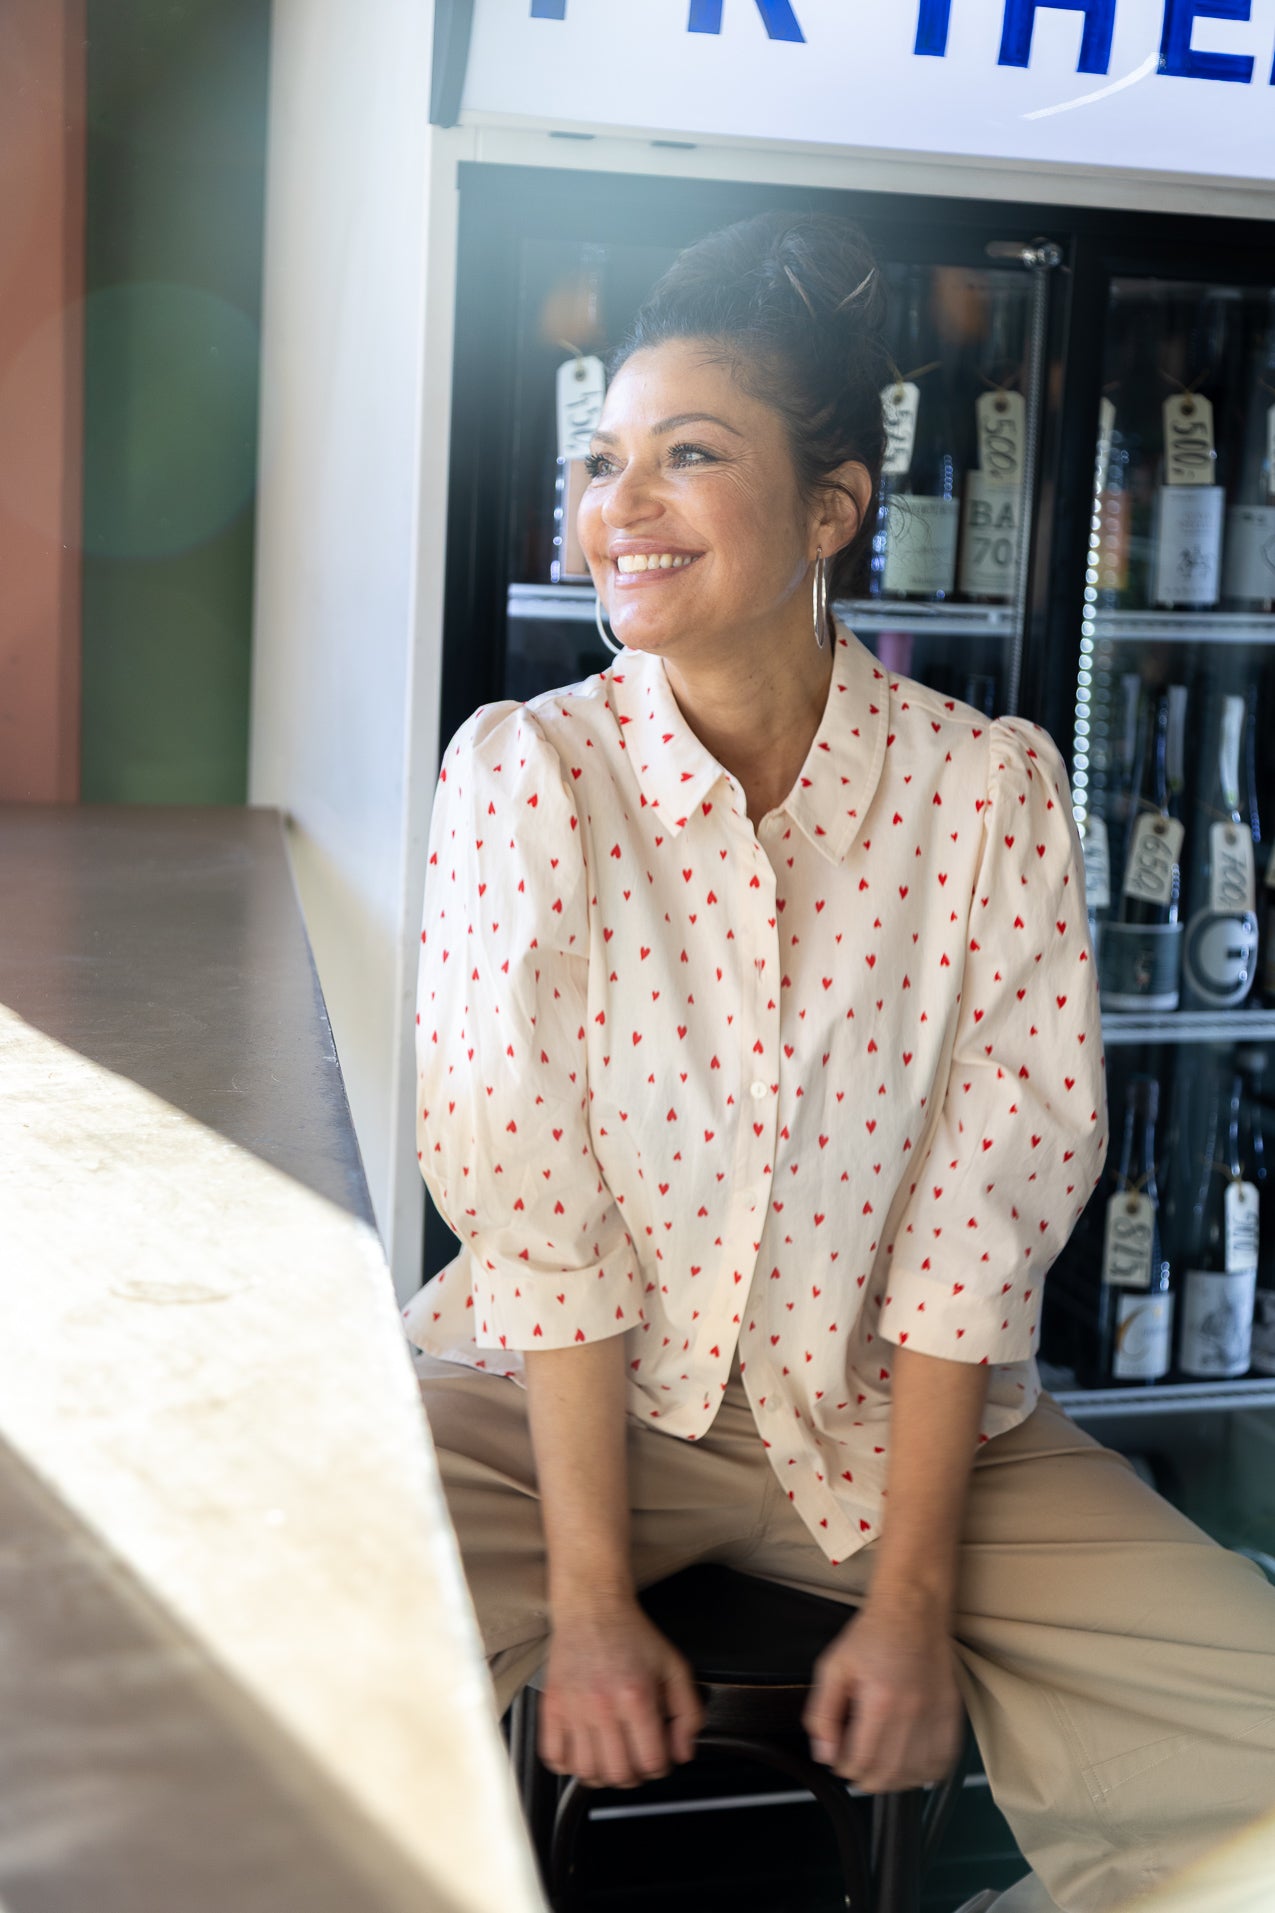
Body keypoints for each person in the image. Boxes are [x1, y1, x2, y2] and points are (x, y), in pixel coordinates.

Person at [404, 211, 1275, 1912]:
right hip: (549, 1410)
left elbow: (975, 1219)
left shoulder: (988, 792)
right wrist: (588, 1602)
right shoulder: (528, 775)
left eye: (688, 457)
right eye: (602, 460)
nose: (617, 506)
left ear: (829, 512)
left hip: (888, 1424)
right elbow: (538, 1208)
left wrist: (915, 1591)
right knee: (254, 1671)